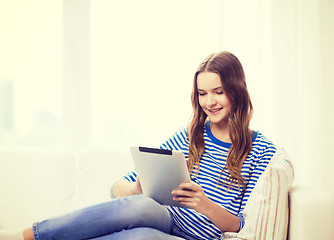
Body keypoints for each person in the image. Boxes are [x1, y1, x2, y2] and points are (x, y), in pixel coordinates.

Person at [1, 51, 276, 240]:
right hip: (167, 219)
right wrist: (136, 188)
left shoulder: (260, 150)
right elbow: (116, 189)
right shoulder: (191, 136)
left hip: (197, 236)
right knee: (139, 206)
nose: (209, 102)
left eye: (218, 92)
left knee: (138, 236)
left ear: (236, 90)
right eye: (202, 93)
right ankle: (27, 236)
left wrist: (204, 204)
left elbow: (244, 226)